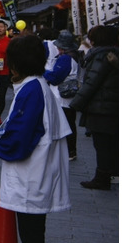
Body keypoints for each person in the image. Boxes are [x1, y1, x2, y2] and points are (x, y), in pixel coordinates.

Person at [0, 34, 71, 243]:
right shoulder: (37, 85)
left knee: (31, 236)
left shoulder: (32, 89)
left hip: (32, 177)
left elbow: (20, 137)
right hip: (38, 174)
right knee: (33, 233)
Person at [70, 25, 119, 190]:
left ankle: (102, 178)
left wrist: (76, 103)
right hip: (110, 106)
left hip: (102, 107)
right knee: (110, 143)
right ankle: (111, 174)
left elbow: (92, 82)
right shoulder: (112, 54)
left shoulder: (102, 56)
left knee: (103, 144)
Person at [43, 30, 81, 161]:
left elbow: (55, 78)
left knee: (64, 126)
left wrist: (44, 72)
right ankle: (71, 151)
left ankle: (68, 151)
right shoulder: (74, 56)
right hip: (68, 97)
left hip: (61, 98)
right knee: (70, 124)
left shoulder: (65, 58)